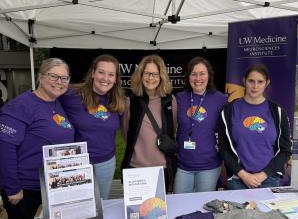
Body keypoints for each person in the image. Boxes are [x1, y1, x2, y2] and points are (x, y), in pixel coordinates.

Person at [0, 58, 74, 219]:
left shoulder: (56, 104)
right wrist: (12, 187)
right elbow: (5, 147)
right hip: (25, 190)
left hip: (51, 186)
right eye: (54, 76)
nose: (59, 82)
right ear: (40, 77)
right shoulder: (20, 106)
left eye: (64, 78)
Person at [217, 63, 292, 190]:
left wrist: (263, 174)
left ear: (267, 83)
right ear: (244, 81)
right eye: (251, 81)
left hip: (269, 179)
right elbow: (223, 148)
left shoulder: (278, 112)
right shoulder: (228, 111)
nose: (255, 86)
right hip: (238, 179)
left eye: (260, 82)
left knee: (268, 211)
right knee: (239, 210)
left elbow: (285, 150)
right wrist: (243, 174)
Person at [60, 54, 125, 199]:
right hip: (77, 162)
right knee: (78, 203)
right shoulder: (71, 95)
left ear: (115, 80)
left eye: (111, 75)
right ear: (93, 74)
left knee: (102, 203)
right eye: (101, 72)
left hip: (106, 162)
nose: (105, 78)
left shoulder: (118, 101)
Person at [121, 55, 177, 191]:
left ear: (161, 76)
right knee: (135, 211)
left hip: (162, 167)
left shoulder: (170, 100)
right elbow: (125, 132)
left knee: (158, 209)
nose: (150, 78)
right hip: (136, 166)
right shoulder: (130, 101)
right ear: (140, 75)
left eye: (155, 74)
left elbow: (172, 129)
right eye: (147, 73)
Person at [173, 57, 227, 194]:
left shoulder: (220, 99)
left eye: (202, 73)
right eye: (194, 74)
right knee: (180, 205)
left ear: (209, 75)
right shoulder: (179, 98)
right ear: (188, 76)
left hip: (209, 165)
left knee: (203, 207)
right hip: (183, 164)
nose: (198, 78)